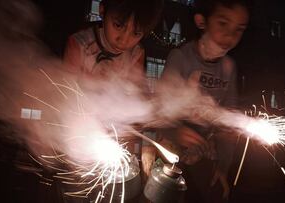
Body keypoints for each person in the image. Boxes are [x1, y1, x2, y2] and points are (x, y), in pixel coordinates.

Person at [62, 0, 164, 202]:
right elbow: (67, 99)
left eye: (136, 33)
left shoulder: (136, 53)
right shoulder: (80, 44)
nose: (124, 40)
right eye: (119, 26)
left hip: (112, 146)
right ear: (102, 10)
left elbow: (133, 99)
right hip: (78, 144)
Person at [159, 0, 249, 202]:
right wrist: (175, 131)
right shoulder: (180, 58)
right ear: (202, 22)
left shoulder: (228, 67)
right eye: (223, 23)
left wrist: (223, 167)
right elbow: (159, 111)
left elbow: (229, 122)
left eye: (239, 29)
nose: (230, 35)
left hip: (206, 157)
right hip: (170, 155)